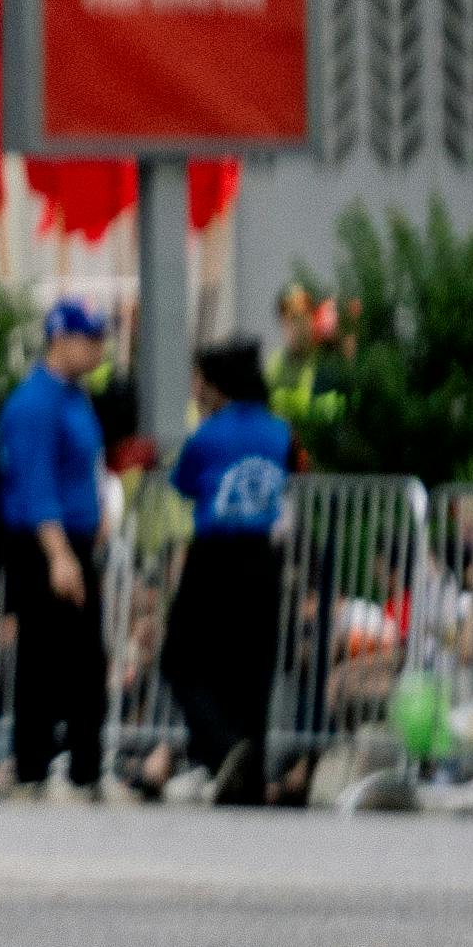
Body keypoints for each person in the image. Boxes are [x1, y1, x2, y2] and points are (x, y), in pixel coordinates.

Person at [155, 338, 294, 804]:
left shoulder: (209, 434)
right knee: (251, 668)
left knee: (181, 659)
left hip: (214, 555)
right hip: (262, 559)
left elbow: (184, 482)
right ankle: (248, 777)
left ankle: (223, 744)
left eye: (199, 380)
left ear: (217, 384)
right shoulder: (279, 431)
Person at [0, 299, 117, 799]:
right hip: (46, 544)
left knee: (87, 659)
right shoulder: (34, 403)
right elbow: (35, 480)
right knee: (44, 656)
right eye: (90, 339)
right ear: (60, 340)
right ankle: (33, 767)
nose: (98, 349)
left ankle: (86, 767)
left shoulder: (75, 397)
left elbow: (86, 463)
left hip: (77, 539)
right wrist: (59, 555)